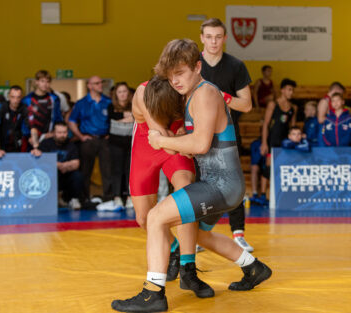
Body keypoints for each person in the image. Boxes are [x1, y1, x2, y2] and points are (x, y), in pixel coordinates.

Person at [111, 38, 271, 313]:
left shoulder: (206, 93)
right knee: (197, 234)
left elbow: (200, 145)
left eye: (180, 74)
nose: (175, 81)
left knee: (156, 217)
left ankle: (153, 293)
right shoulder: (193, 93)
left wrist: (164, 142)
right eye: (170, 75)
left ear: (198, 67)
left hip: (220, 186)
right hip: (219, 185)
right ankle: (253, 267)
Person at [129, 76, 210, 296]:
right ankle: (173, 248)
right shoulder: (144, 94)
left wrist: (185, 137)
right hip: (148, 148)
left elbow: (191, 136)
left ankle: (188, 267)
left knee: (185, 194)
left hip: (172, 141)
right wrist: (184, 139)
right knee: (144, 218)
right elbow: (165, 143)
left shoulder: (186, 92)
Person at [199, 18, 254, 252]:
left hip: (227, 136)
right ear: (202, 38)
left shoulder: (236, 66)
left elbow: (247, 105)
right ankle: (197, 235)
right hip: (196, 134)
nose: (213, 41)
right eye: (209, 36)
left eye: (218, 37)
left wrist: (223, 96)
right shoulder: (193, 64)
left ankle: (238, 234)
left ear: (224, 38)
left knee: (232, 184)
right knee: (196, 185)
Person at [68, 75, 113, 202]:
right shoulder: (81, 103)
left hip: (105, 139)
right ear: (89, 86)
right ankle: (84, 198)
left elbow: (114, 118)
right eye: (97, 83)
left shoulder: (108, 101)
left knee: (107, 170)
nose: (100, 85)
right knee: (85, 170)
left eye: (101, 82)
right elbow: (71, 121)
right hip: (88, 140)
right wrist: (81, 136)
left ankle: (108, 198)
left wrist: (111, 133)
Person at [98, 82, 134, 211]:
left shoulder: (135, 105)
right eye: (120, 92)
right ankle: (117, 196)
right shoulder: (110, 106)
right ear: (116, 94)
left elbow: (136, 118)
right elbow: (113, 116)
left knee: (130, 170)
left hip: (131, 142)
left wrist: (123, 118)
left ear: (128, 93)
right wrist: (127, 116)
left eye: (125, 91)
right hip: (115, 143)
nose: (123, 94)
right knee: (116, 170)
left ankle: (130, 196)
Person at [38, 122, 85, 210]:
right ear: (54, 133)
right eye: (59, 133)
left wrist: (62, 165)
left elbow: (76, 163)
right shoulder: (45, 144)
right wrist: (58, 165)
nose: (62, 135)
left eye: (64, 132)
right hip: (50, 176)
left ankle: (73, 199)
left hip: (65, 175)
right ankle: (48, 200)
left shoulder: (71, 145)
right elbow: (41, 161)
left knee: (78, 176)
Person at [21, 70, 63, 157]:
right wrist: (28, 136)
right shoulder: (27, 100)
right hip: (30, 139)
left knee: (48, 165)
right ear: (37, 82)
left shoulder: (54, 99)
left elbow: (58, 118)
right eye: (42, 81)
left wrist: (54, 133)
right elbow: (23, 120)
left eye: (47, 81)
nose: (45, 84)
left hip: (48, 137)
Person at [261, 78, 298, 156]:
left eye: (293, 90)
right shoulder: (273, 104)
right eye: (289, 90)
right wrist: (264, 143)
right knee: (270, 165)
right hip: (272, 139)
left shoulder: (294, 107)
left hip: (286, 140)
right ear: (282, 90)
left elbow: (293, 127)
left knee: (284, 164)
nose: (291, 92)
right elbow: (266, 124)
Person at [0, 85, 29, 158]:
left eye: (18, 97)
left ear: (21, 97)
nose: (15, 100)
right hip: (1, 147)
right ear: (9, 96)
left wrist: (36, 147)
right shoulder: (2, 107)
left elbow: (30, 128)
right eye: (13, 97)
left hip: (18, 148)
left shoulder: (24, 108)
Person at [249, 137, 269, 206]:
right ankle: (255, 194)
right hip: (260, 164)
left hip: (268, 166)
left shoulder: (272, 141)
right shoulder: (256, 143)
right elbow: (254, 161)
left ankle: (263, 195)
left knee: (267, 168)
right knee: (254, 168)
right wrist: (261, 152)